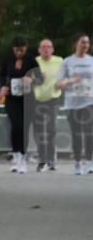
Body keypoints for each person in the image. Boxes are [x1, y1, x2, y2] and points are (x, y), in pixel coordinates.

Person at [0, 37, 41, 174]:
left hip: (28, 99)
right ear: (13, 49)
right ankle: (16, 157)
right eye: (17, 49)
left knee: (24, 128)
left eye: (22, 49)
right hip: (12, 98)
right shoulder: (7, 59)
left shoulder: (31, 60)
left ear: (26, 47)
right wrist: (3, 87)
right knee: (16, 125)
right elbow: (2, 76)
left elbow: (40, 78)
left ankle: (23, 159)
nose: (19, 52)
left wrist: (32, 79)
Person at [55, 34, 93, 175]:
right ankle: (78, 163)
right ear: (76, 43)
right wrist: (71, 80)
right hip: (72, 103)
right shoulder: (67, 62)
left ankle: (89, 161)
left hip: (89, 101)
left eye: (87, 43)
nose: (86, 45)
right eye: (83, 42)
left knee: (89, 132)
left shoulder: (92, 61)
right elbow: (58, 84)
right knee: (77, 134)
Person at [32, 39, 63, 172]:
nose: (46, 49)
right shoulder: (34, 61)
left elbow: (66, 75)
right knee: (38, 130)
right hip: (37, 99)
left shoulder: (60, 61)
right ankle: (42, 160)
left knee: (52, 129)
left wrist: (62, 82)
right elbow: (26, 78)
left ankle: (50, 159)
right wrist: (34, 79)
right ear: (39, 50)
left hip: (53, 98)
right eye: (43, 47)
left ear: (52, 49)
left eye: (48, 47)